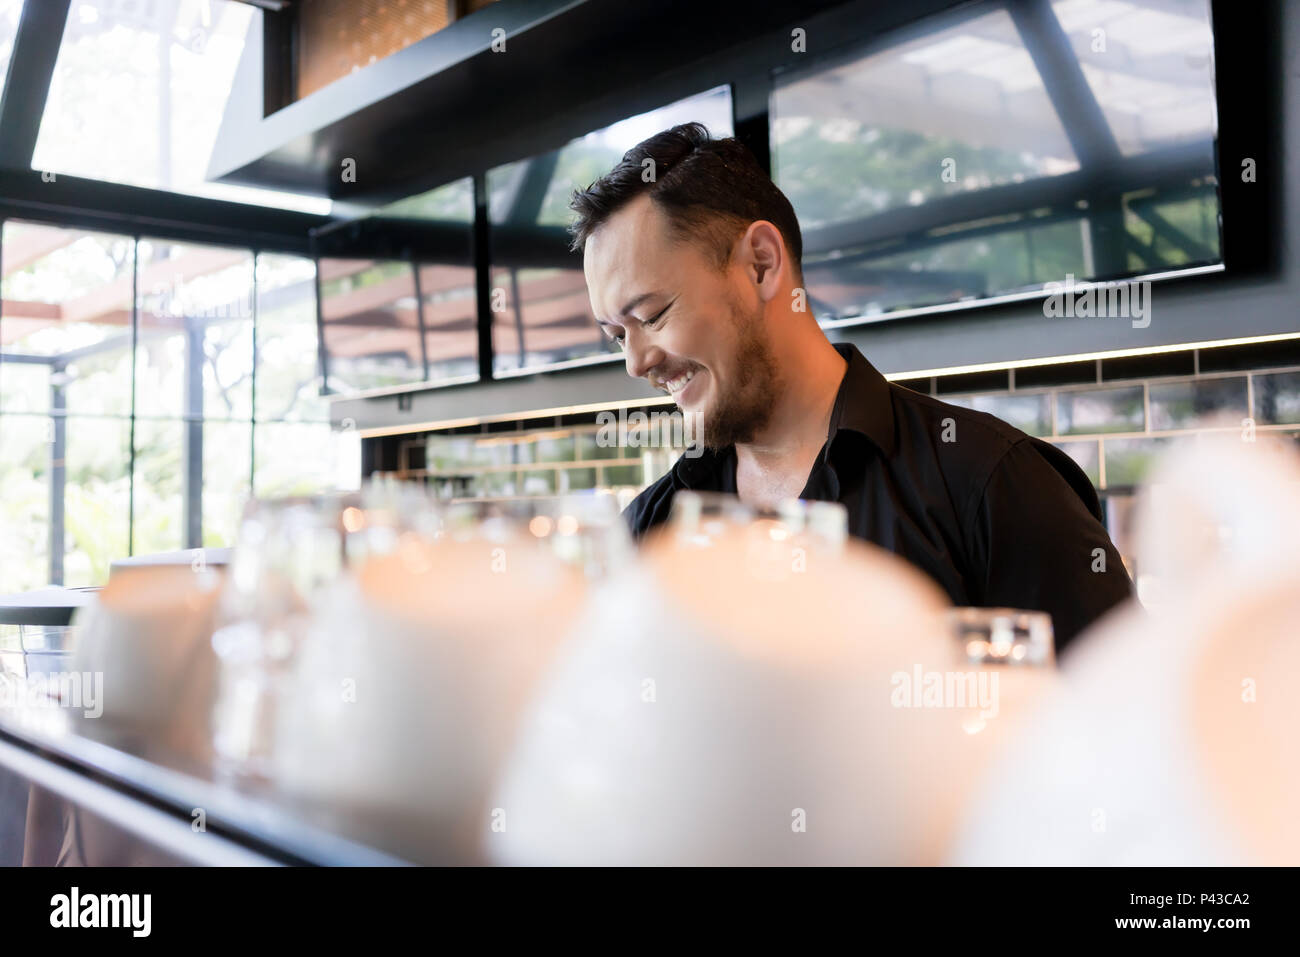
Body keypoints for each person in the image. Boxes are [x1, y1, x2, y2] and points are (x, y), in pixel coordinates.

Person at [568, 123, 1133, 651]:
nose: (636, 362)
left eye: (653, 314)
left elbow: (1126, 730)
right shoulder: (647, 532)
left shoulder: (991, 485)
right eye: (617, 335)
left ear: (761, 265)